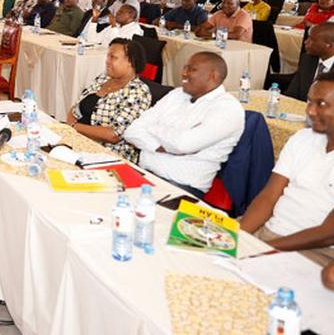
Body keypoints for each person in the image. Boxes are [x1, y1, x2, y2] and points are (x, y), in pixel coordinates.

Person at [240, 71, 334, 267]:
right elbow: (269, 196)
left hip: (315, 250)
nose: (310, 111)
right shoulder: (303, 138)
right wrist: (240, 237)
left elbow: (327, 233)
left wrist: (264, 250)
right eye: (309, 102)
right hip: (270, 231)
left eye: (321, 104)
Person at [123, 52, 244, 197]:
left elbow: (183, 145)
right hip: (143, 174)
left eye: (192, 69)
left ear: (213, 76)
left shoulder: (228, 109)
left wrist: (152, 129)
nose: (183, 73)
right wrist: (160, 146)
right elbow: (131, 131)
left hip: (181, 187)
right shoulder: (177, 94)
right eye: (185, 68)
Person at [67, 39, 151, 163]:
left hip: (108, 154)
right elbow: (76, 108)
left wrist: (73, 127)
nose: (107, 61)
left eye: (113, 57)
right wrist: (71, 127)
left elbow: (113, 135)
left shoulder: (138, 92)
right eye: (107, 56)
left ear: (130, 62)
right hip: (79, 140)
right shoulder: (103, 78)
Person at [286, 23, 334, 101]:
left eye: (312, 40)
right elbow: (292, 94)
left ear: (329, 45)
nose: (306, 42)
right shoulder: (307, 59)